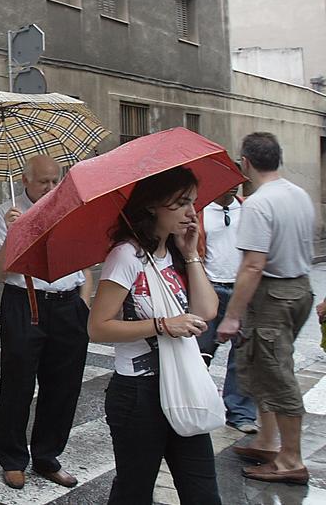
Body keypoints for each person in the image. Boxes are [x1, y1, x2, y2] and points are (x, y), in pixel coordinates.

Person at [88, 166, 220, 504]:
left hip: (183, 383)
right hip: (139, 394)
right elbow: (98, 326)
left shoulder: (175, 253)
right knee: (134, 492)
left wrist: (191, 253)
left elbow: (206, 311)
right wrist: (163, 325)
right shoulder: (126, 256)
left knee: (202, 491)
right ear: (152, 206)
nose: (192, 213)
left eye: (193, 202)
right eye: (180, 203)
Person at [0, 155, 93, 490]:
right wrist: (15, 233)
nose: (50, 187)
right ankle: (12, 457)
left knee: (64, 385)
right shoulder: (7, 212)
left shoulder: (70, 208)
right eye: (43, 181)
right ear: (25, 181)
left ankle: (47, 456)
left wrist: (84, 303)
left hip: (67, 303)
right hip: (24, 302)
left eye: (55, 180)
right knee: (17, 383)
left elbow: (85, 260)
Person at [216, 132, 316, 485]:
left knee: (276, 372)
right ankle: (267, 440)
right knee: (262, 364)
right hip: (299, 288)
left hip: (273, 294)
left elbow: (253, 265)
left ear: (245, 162)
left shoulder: (258, 203)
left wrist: (231, 316)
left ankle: (290, 459)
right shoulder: (297, 194)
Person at [195, 182, 258, 433]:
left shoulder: (247, 209)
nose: (232, 188)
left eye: (237, 184)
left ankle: (240, 412)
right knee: (200, 351)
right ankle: (195, 406)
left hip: (242, 289)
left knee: (243, 354)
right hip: (210, 287)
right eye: (227, 184)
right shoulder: (200, 211)